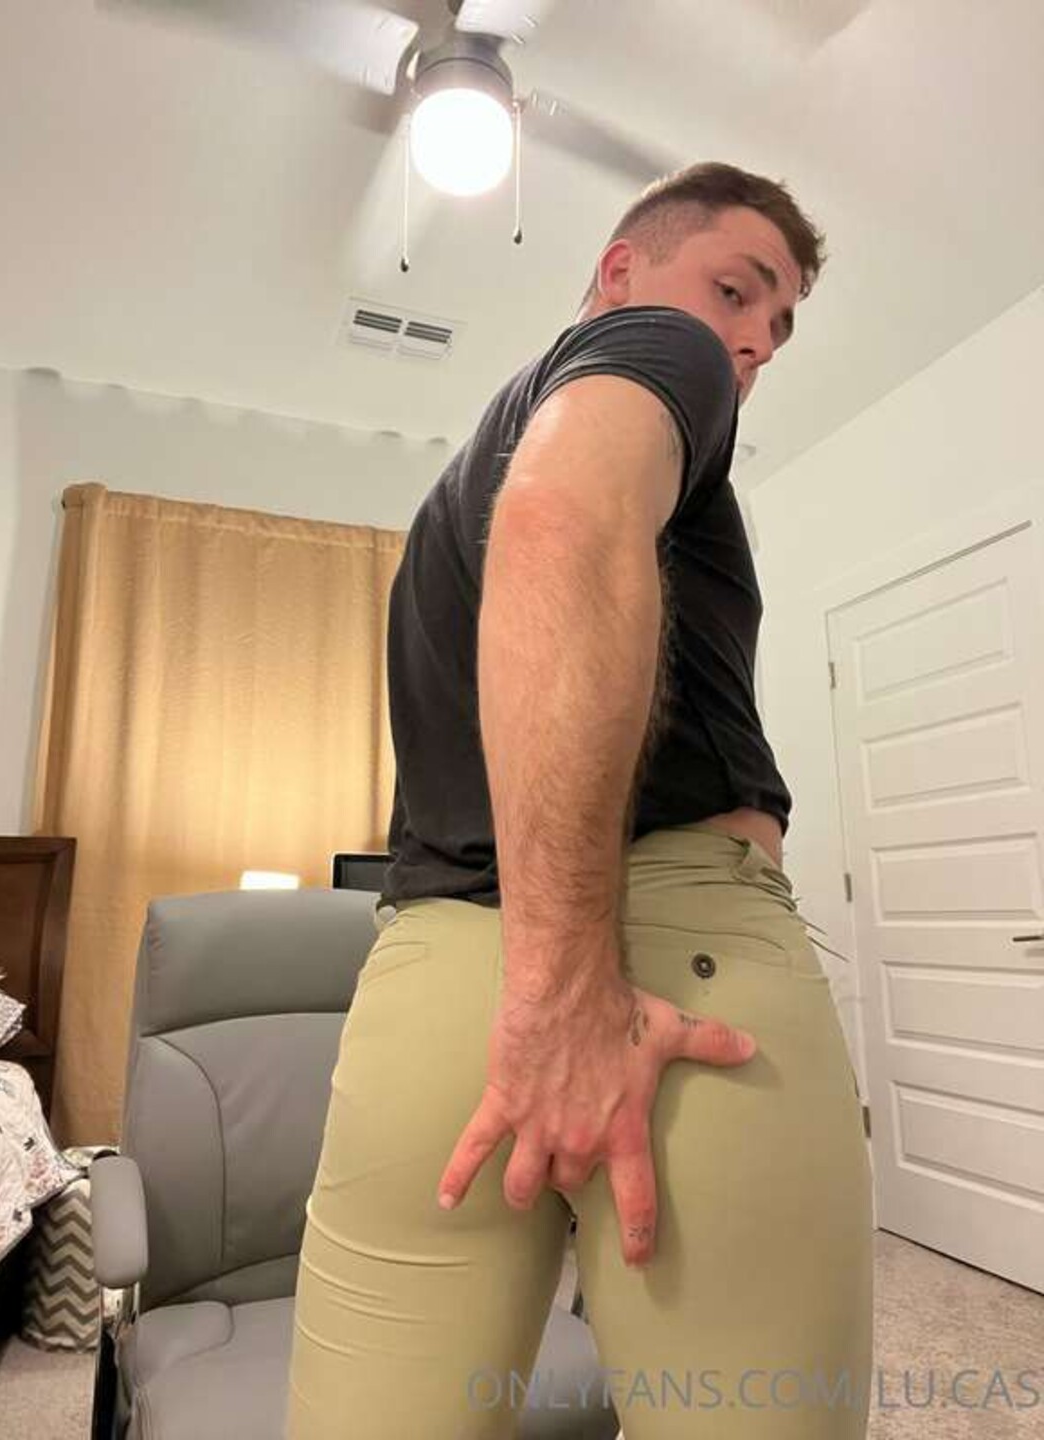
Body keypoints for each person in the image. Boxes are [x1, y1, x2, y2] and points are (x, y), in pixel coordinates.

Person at [285, 161, 874, 1439]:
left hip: (432, 990)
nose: (754, 342)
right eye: (737, 290)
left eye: (779, 326)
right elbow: (562, 525)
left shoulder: (456, 489)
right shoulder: (665, 349)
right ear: (621, 272)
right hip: (667, 972)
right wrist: (561, 992)